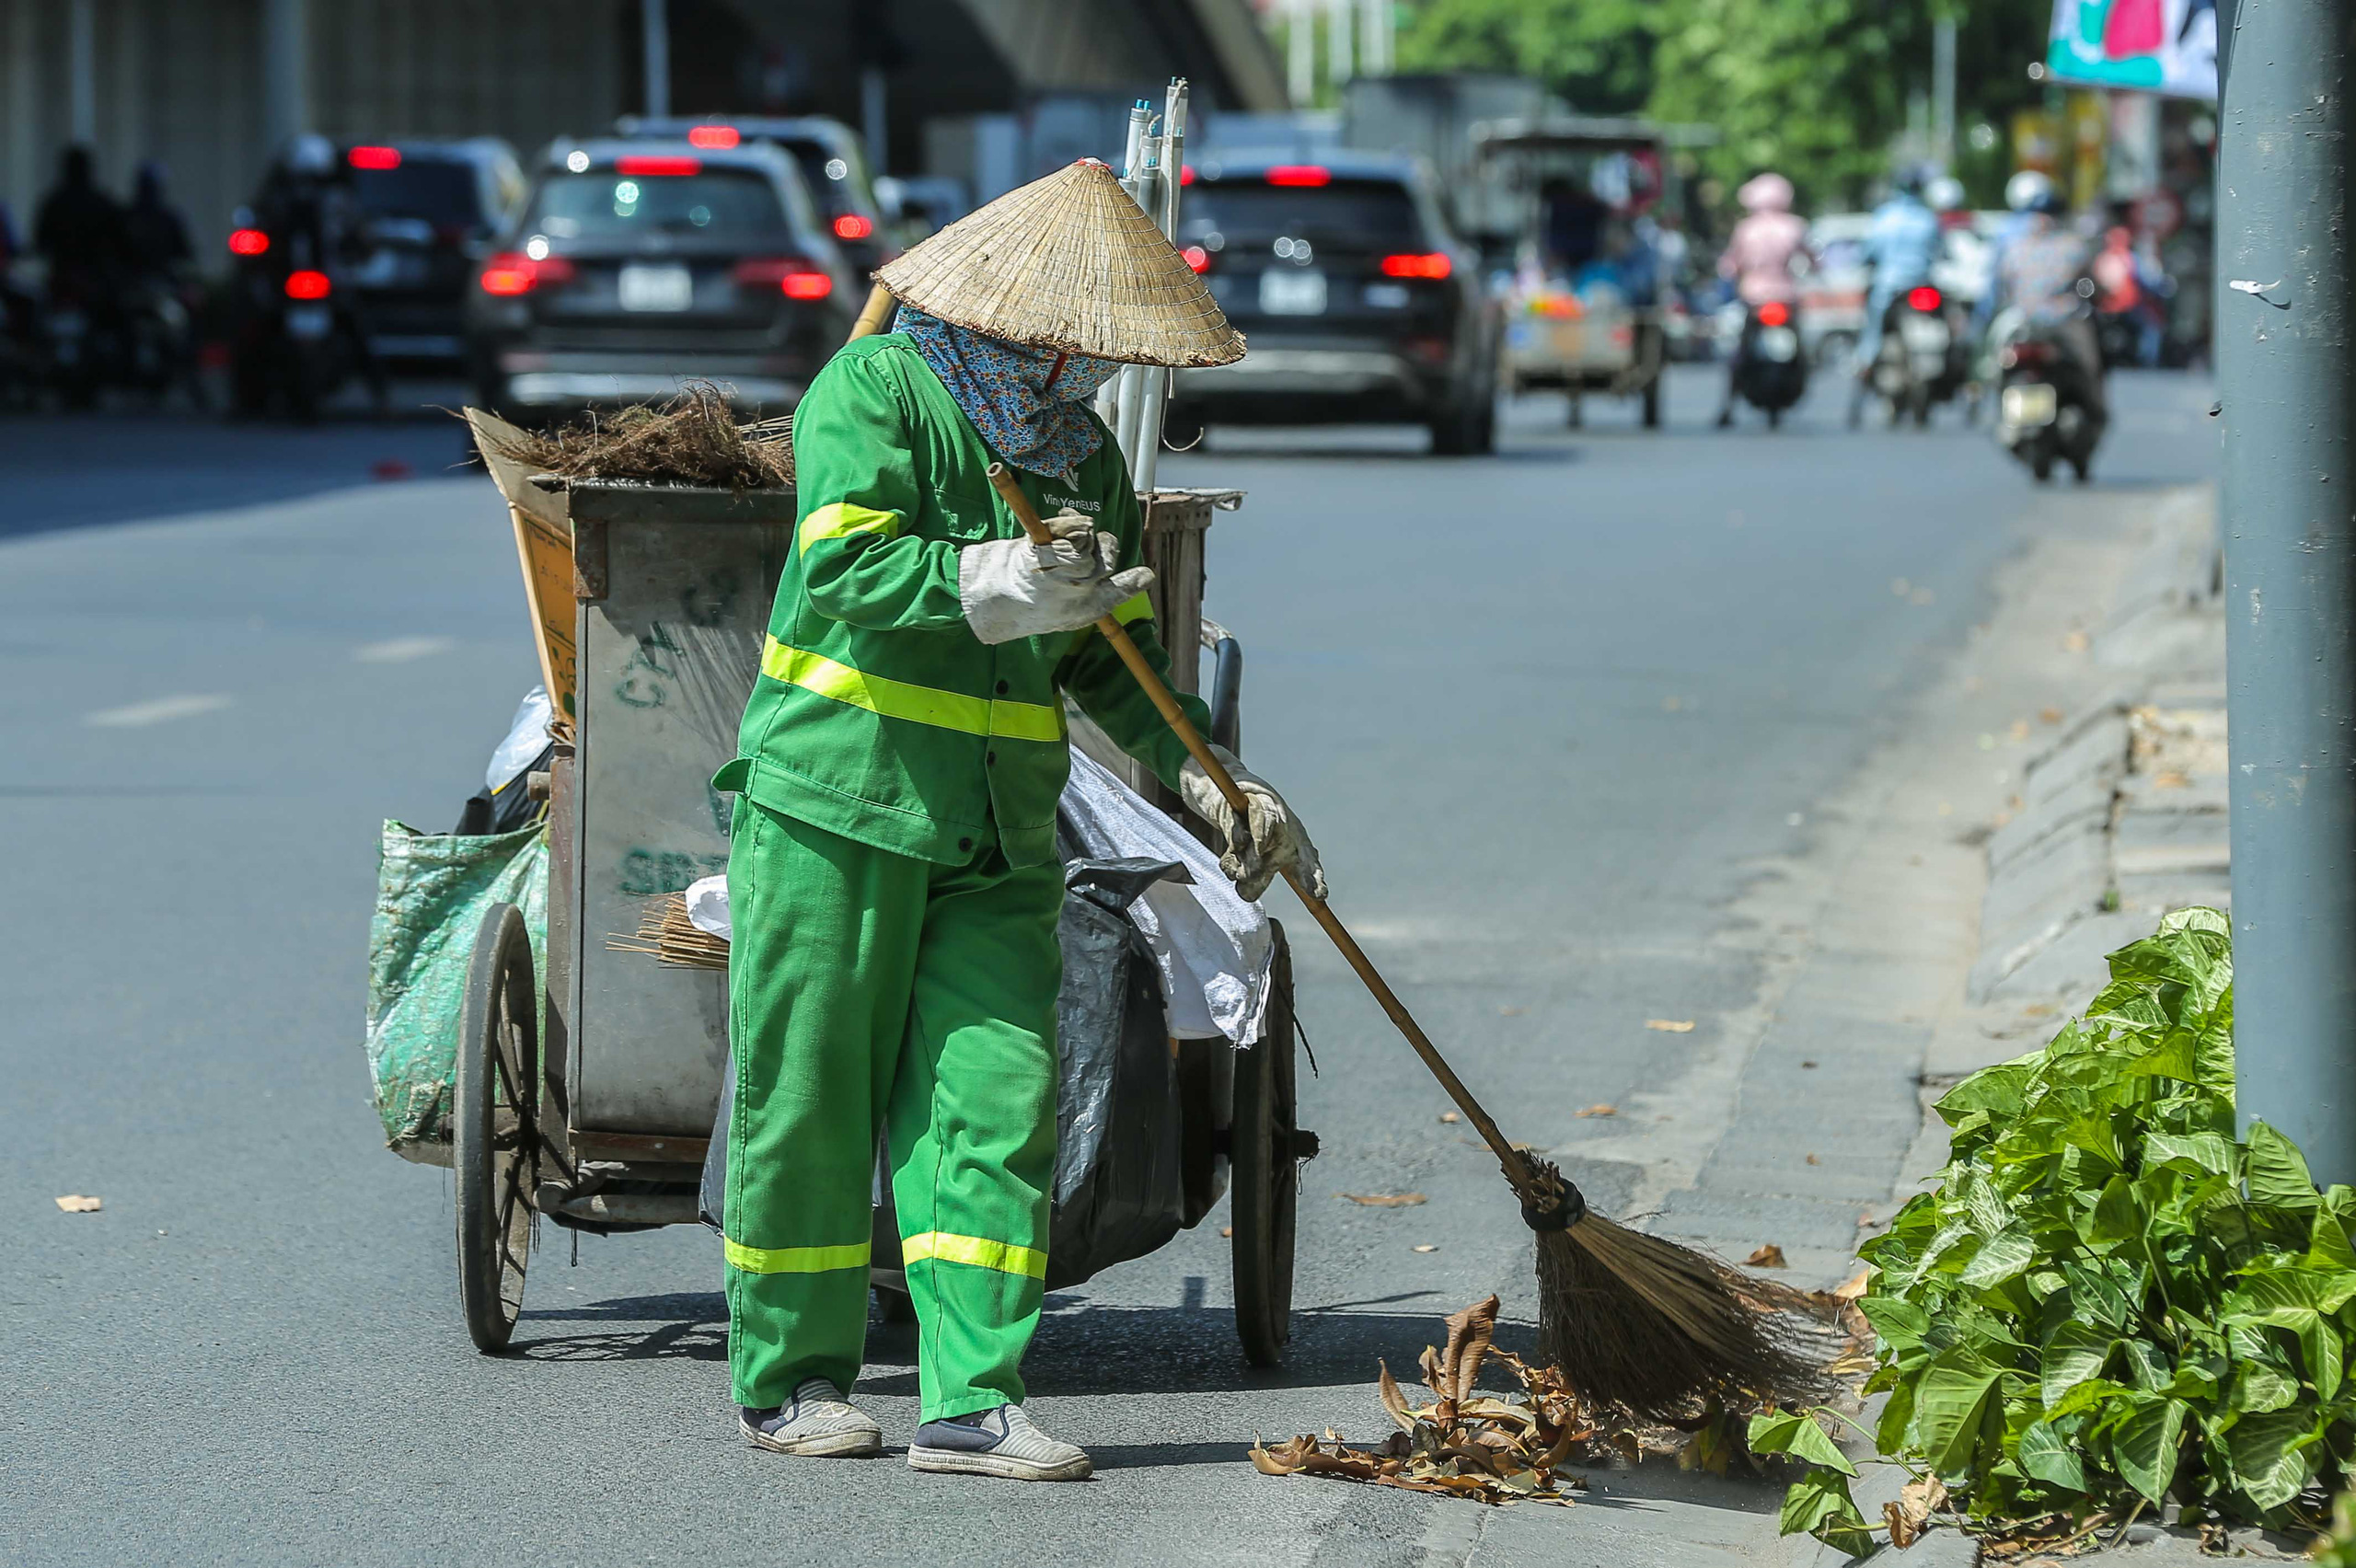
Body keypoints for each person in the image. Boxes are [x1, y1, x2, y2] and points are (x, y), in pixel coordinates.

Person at [714, 157, 1324, 1482]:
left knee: (998, 1106)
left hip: (999, 833)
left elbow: (1121, 657)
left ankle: (973, 1401)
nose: (1089, 369)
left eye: (1103, 351)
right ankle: (792, 1380)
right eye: (1079, 343)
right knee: (811, 1098)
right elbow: (847, 563)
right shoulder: (874, 391)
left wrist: (1217, 779)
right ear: (1021, 319)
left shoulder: (1080, 459)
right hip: (839, 811)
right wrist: (997, 576)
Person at [1995, 187, 2106, 421]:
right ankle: (2096, 409)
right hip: (2059, 322)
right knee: (2089, 365)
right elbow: (2092, 286)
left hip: (2023, 321)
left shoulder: (2015, 248)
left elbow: (2004, 288)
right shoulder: (2073, 247)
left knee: (1996, 359)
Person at [1714, 171, 1809, 427]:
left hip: (1754, 299)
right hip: (1786, 297)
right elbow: (1811, 259)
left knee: (1741, 353)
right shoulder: (1795, 226)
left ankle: (1727, 408)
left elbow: (1731, 265)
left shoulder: (1746, 229)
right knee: (1802, 350)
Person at [1847, 167, 1944, 410]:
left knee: (1872, 330)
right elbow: (1941, 251)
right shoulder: (1928, 218)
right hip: (1922, 285)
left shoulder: (1885, 217)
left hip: (1889, 287)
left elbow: (1869, 252)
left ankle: (1865, 361)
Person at [33, 145, 128, 301]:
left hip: (66, 278)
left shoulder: (54, 202)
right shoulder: (102, 202)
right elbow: (122, 243)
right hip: (92, 280)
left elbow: (41, 242)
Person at [121, 161, 192, 281]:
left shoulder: (168, 219)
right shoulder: (127, 218)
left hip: (162, 283)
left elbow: (184, 256)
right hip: (130, 283)